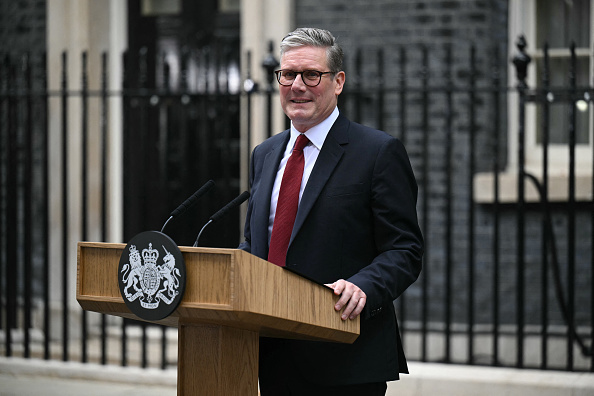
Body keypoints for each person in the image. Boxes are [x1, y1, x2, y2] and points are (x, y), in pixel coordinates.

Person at [238, 27, 423, 395]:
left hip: (344, 358)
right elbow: (253, 245)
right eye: (288, 74)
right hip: (269, 355)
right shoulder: (265, 154)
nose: (297, 85)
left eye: (311, 75)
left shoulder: (377, 152)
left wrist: (364, 286)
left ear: (338, 82)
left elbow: (405, 250)